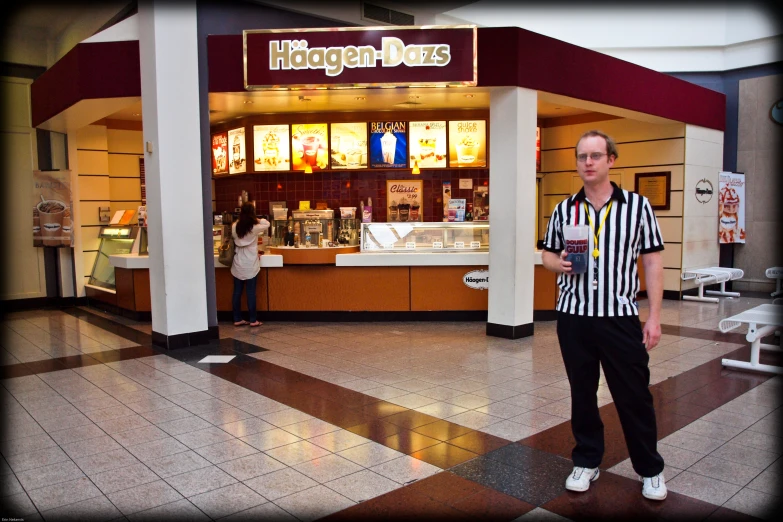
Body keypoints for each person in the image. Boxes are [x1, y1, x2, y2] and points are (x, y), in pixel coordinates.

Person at [541, 130, 667, 501]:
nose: (588, 163)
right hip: (574, 318)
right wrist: (558, 263)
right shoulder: (565, 209)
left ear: (611, 159)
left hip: (618, 316)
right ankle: (587, 460)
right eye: (582, 157)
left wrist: (654, 316)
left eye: (596, 156)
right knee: (582, 392)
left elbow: (653, 261)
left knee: (633, 395)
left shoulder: (637, 207)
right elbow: (547, 253)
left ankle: (650, 469)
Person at [231, 203, 270, 327]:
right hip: (250, 262)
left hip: (238, 261)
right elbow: (267, 223)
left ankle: (237, 318)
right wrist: (255, 218)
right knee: (251, 292)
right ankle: (253, 320)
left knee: (237, 292)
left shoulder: (234, 225)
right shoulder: (254, 226)